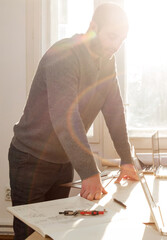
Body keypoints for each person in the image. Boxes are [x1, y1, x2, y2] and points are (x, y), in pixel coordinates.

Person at [8, 3, 138, 239]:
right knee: (29, 235)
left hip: (63, 160)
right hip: (30, 159)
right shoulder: (65, 54)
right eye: (111, 36)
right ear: (92, 27)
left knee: (56, 232)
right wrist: (89, 172)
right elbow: (65, 117)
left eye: (121, 39)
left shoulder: (107, 61)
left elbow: (115, 112)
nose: (115, 45)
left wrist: (126, 160)